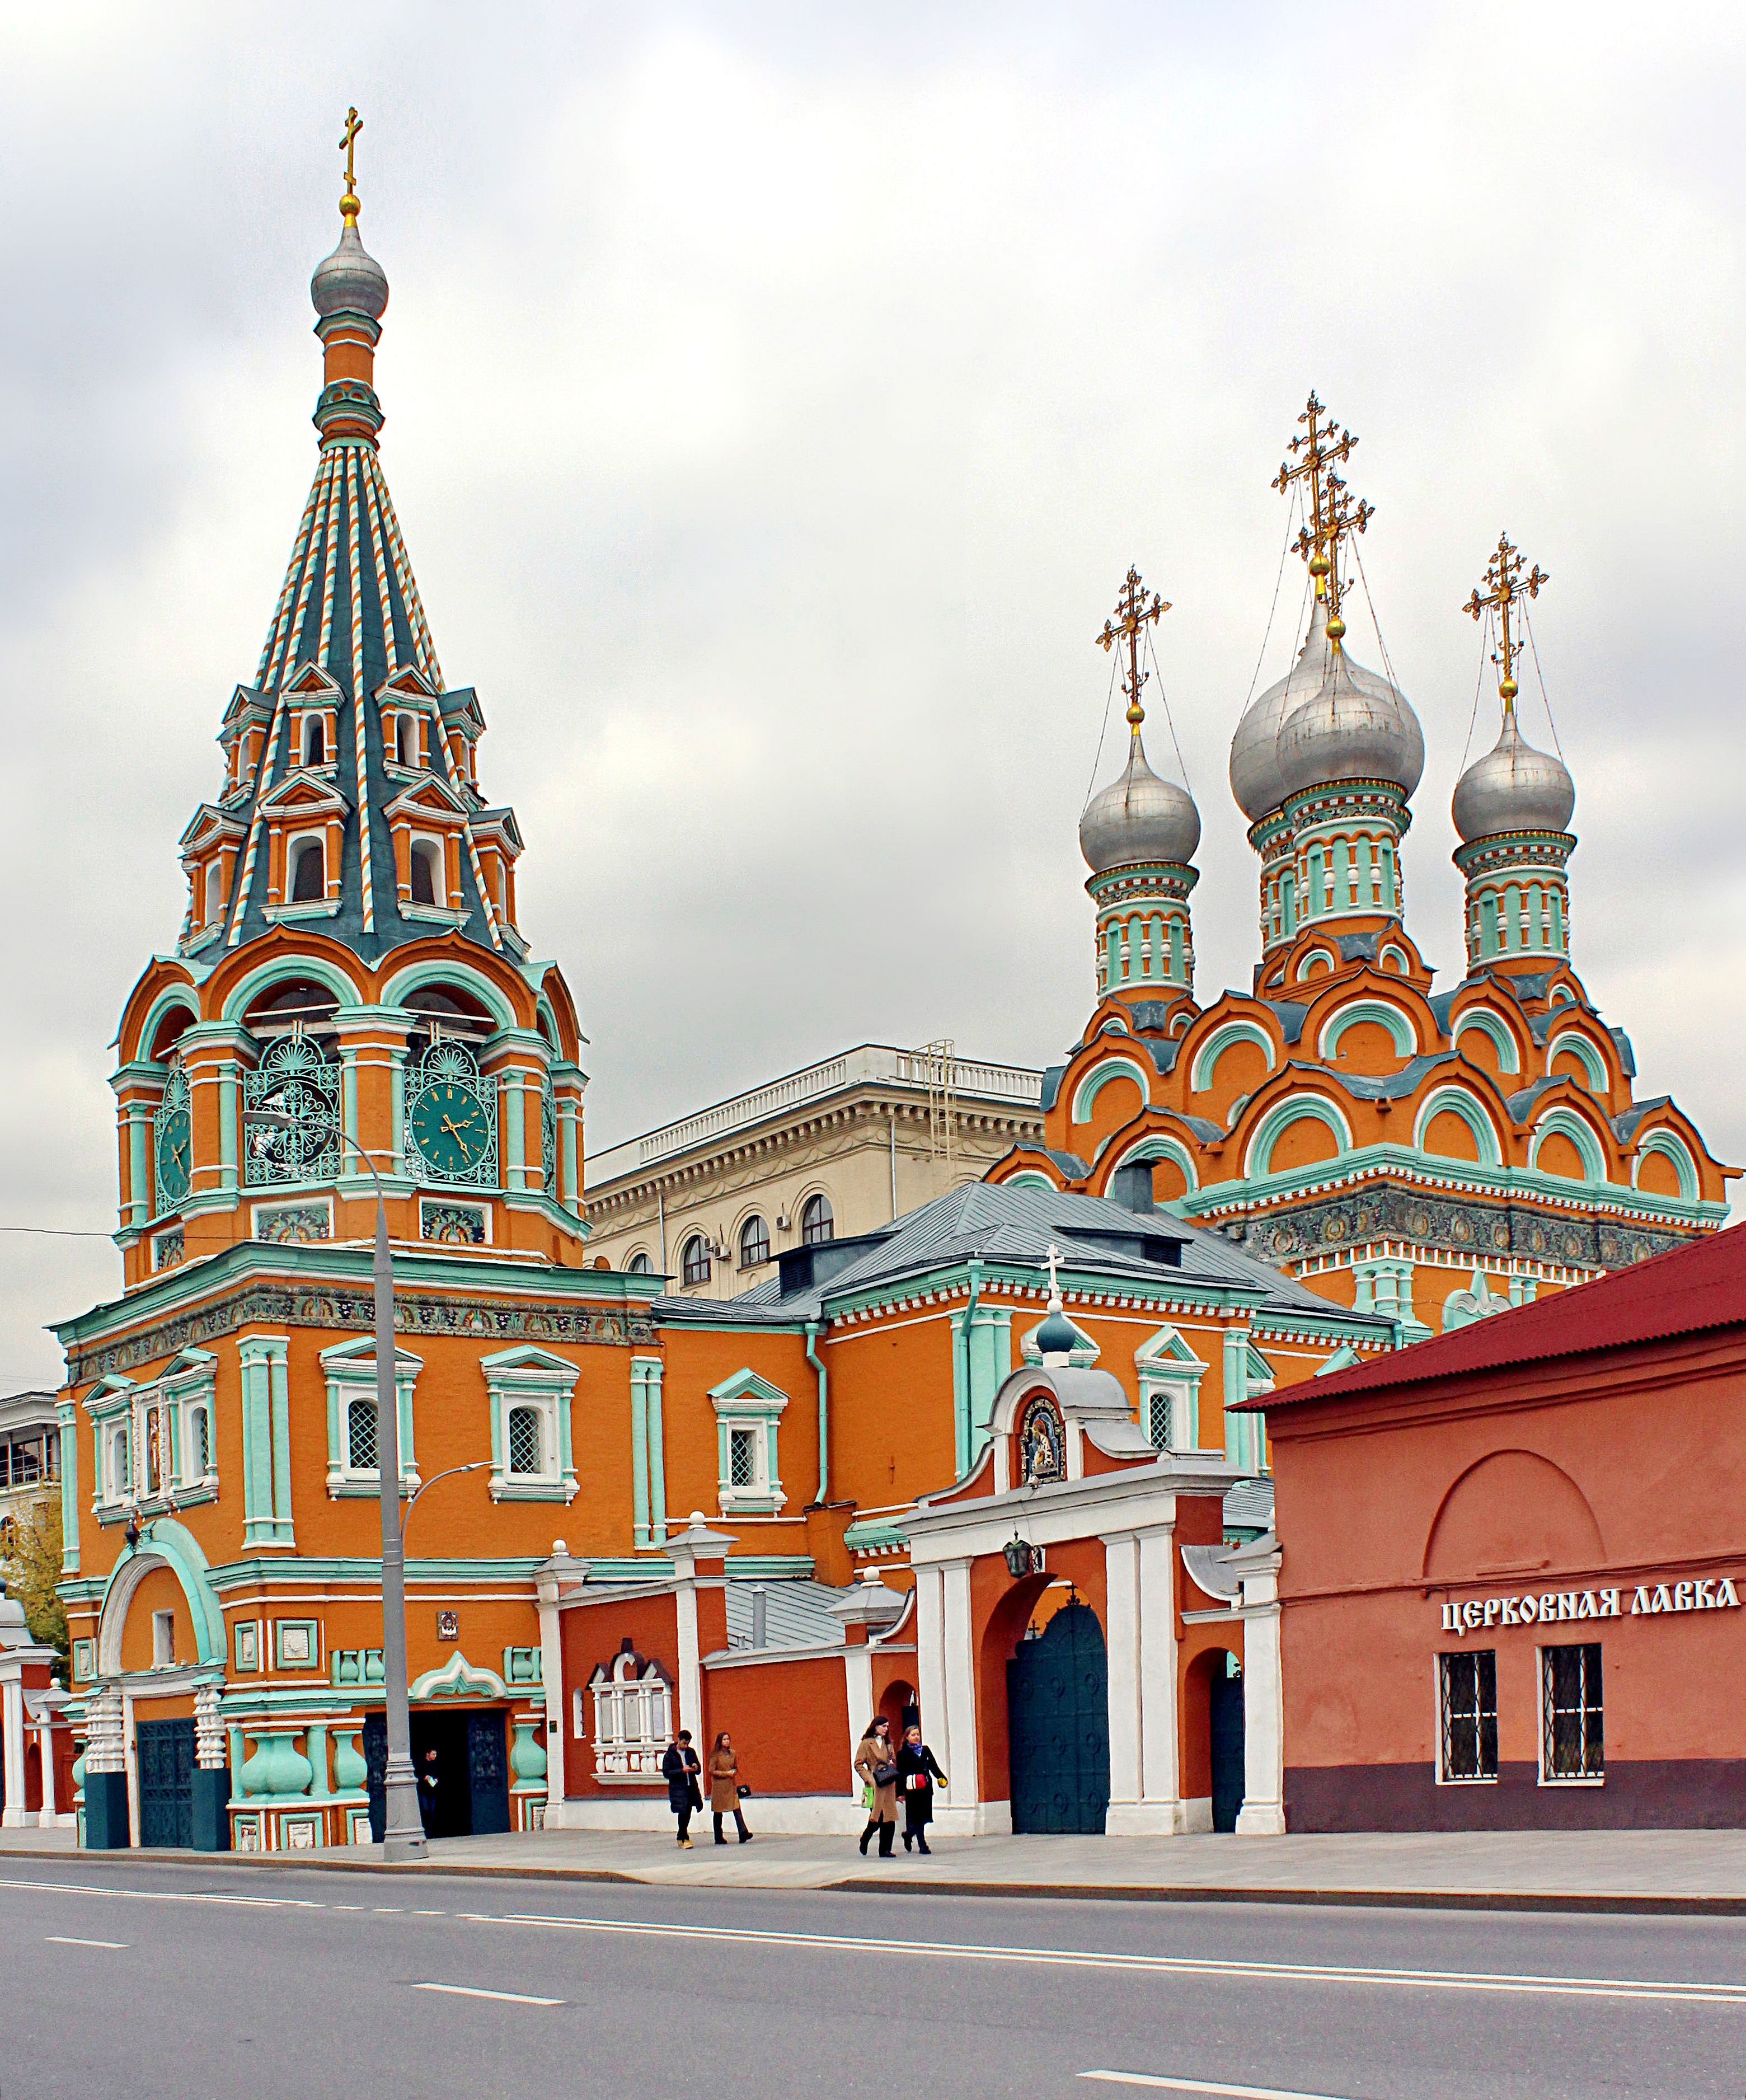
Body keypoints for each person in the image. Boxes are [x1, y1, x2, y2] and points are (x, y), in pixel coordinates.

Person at [896, 1723, 947, 1855]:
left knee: (924, 1817)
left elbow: (933, 1766)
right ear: (907, 1737)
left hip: (926, 1787)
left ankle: (908, 1834)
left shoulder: (925, 1750)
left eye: (918, 1735)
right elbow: (900, 1774)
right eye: (913, 1735)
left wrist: (941, 1778)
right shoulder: (902, 1754)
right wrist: (899, 1793)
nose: (916, 1737)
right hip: (912, 1789)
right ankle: (922, 1845)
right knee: (918, 1817)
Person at [854, 1717, 899, 1857]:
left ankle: (885, 1850)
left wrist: (892, 1761)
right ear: (876, 1726)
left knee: (890, 1817)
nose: (886, 1729)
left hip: (888, 1783)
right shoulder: (867, 1743)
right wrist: (870, 1778)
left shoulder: (888, 1743)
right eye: (884, 1726)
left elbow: (892, 1760)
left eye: (887, 1726)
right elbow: (858, 1764)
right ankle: (865, 1837)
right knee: (877, 1818)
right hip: (875, 1784)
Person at [708, 1731, 753, 1844]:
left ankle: (743, 1832)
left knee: (736, 1808)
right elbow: (712, 1771)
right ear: (720, 1741)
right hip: (720, 1787)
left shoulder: (733, 1753)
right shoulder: (715, 1755)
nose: (727, 1741)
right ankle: (718, 1837)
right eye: (724, 1739)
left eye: (728, 1739)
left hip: (731, 1785)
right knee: (718, 1812)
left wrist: (734, 1771)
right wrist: (726, 1773)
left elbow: (735, 1767)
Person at [661, 1728, 702, 1848]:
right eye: (684, 1743)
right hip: (678, 1788)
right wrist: (681, 1771)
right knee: (683, 1812)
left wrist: (695, 1767)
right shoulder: (670, 1754)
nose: (686, 1745)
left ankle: (681, 1836)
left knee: (688, 1812)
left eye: (688, 1743)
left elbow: (698, 1768)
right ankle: (685, 1838)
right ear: (679, 1740)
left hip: (691, 1787)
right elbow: (667, 1772)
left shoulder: (691, 1752)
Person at [416, 1745, 440, 1839]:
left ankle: (431, 1832)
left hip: (433, 1791)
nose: (435, 1756)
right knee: (425, 1810)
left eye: (436, 1754)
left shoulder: (436, 1764)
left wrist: (437, 1780)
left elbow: (439, 1774)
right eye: (433, 1754)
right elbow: (416, 1775)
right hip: (423, 1791)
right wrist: (424, 1778)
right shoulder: (420, 1763)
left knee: (432, 1811)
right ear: (428, 1754)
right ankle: (424, 1829)